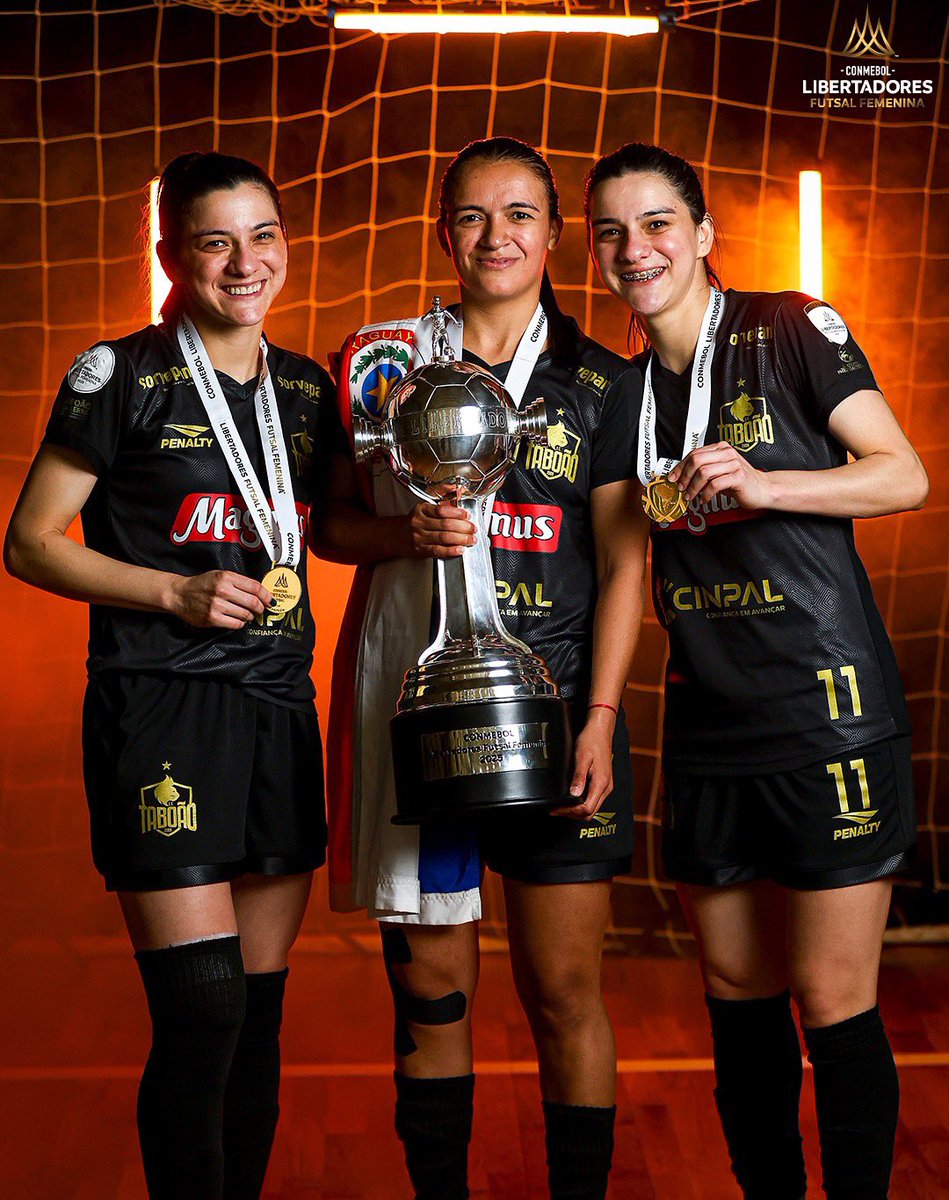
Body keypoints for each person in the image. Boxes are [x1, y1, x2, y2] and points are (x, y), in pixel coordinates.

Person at [584, 141, 929, 1200]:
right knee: (736, 993)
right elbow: (620, 572)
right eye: (610, 233)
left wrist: (771, 486)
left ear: (700, 235)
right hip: (708, 728)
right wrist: (598, 717)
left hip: (826, 714)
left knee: (830, 995)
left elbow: (902, 476)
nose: (634, 249)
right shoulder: (619, 395)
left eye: (654, 224)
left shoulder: (786, 327)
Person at [312, 136, 648, 1200]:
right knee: (434, 998)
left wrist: (599, 715)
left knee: (561, 991)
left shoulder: (603, 381)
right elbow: (330, 528)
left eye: (518, 215)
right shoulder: (382, 364)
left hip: (554, 721)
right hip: (423, 715)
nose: (495, 236)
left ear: (554, 235)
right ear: (442, 231)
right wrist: (404, 537)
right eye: (470, 215)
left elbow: (624, 562)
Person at [4, 152, 338, 1200]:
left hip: (281, 703)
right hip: (161, 704)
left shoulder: (308, 389)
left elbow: (333, 528)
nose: (246, 262)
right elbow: (29, 544)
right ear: (171, 256)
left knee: (258, 1011)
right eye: (214, 240)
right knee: (203, 1012)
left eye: (263, 236)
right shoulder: (123, 375)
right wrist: (171, 593)